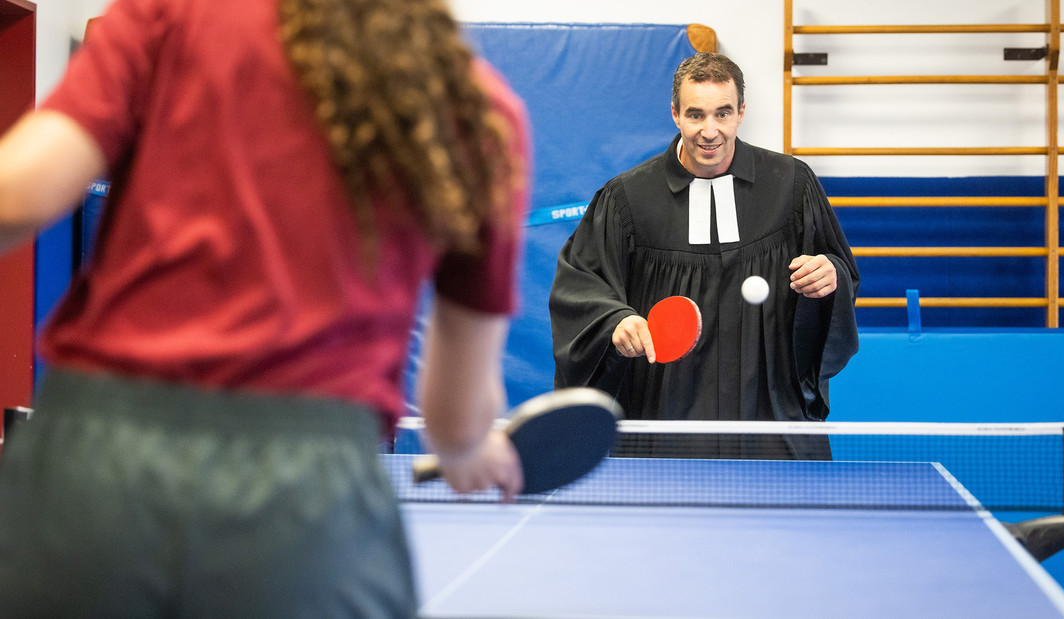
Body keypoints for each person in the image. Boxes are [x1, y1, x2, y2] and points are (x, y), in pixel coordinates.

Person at [0, 0, 530, 615]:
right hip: (309, 515)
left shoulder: (168, 14)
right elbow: (456, 420)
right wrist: (467, 450)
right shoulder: (480, 113)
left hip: (89, 481)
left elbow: (16, 196)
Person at [549, 52, 858, 460]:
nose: (709, 131)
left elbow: (840, 273)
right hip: (662, 417)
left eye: (722, 114)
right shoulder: (627, 200)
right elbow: (579, 285)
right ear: (675, 114)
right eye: (695, 115)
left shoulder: (791, 186)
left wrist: (829, 276)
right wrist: (616, 320)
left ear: (741, 113)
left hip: (770, 413)